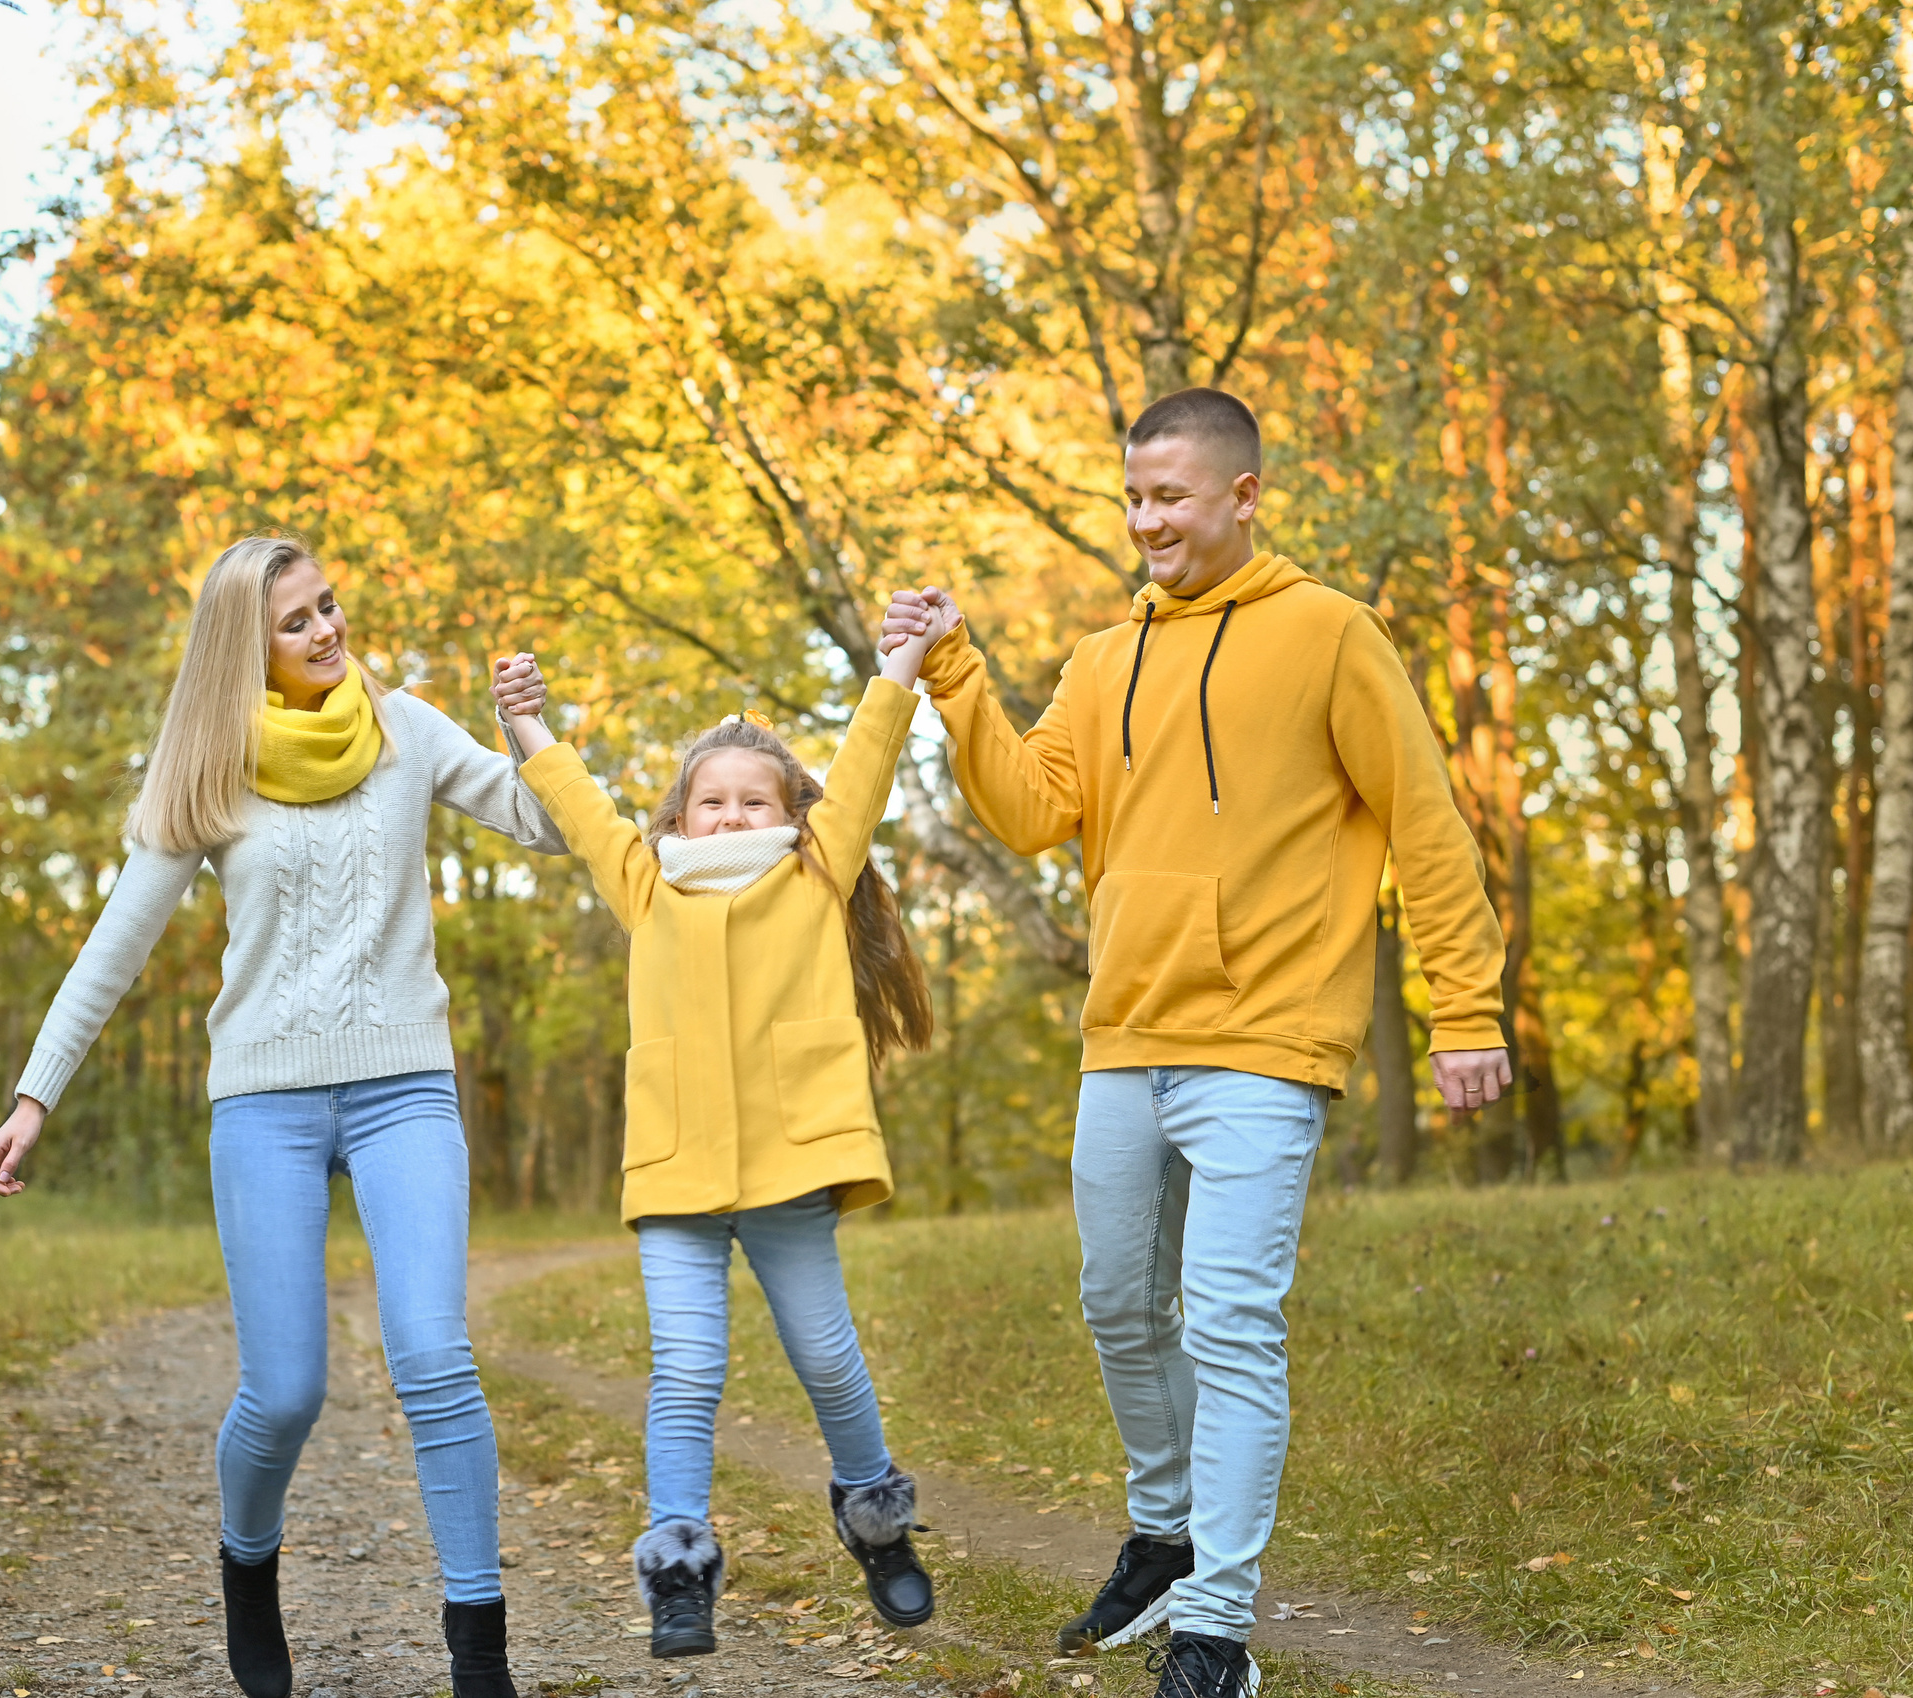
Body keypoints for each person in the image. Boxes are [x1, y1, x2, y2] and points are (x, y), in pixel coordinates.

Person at [879, 388, 1511, 1698]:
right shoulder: (1109, 659)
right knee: (1119, 1304)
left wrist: (1467, 1010)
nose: (1145, 519)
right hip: (1127, 1033)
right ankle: (1165, 1536)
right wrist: (956, 670)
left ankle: (1217, 1626)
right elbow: (1032, 806)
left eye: (1169, 495)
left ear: (1242, 493)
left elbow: (1427, 824)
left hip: (1267, 1041)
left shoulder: (1331, 634)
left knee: (1227, 1318)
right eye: (1134, 497)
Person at [0, 535, 568, 1698]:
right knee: (285, 1389)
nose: (327, 631)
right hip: (265, 1102)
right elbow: (116, 945)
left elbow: (542, 825)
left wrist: (530, 730)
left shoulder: (405, 726)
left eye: (329, 606)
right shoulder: (207, 769)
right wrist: (35, 1094)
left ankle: (479, 1652)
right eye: (296, 621)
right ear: (247, 648)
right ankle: (249, 1567)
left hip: (406, 1083)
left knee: (434, 1356)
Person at [485, 628, 950, 1658]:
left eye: (755, 800)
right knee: (687, 1371)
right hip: (679, 1172)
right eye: (713, 800)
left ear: (792, 815)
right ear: (678, 815)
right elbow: (577, 802)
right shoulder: (647, 883)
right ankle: (680, 1566)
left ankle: (874, 1518)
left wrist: (901, 664)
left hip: (793, 1166)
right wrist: (524, 718)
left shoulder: (817, 876)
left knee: (829, 1361)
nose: (732, 814)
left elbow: (869, 761)